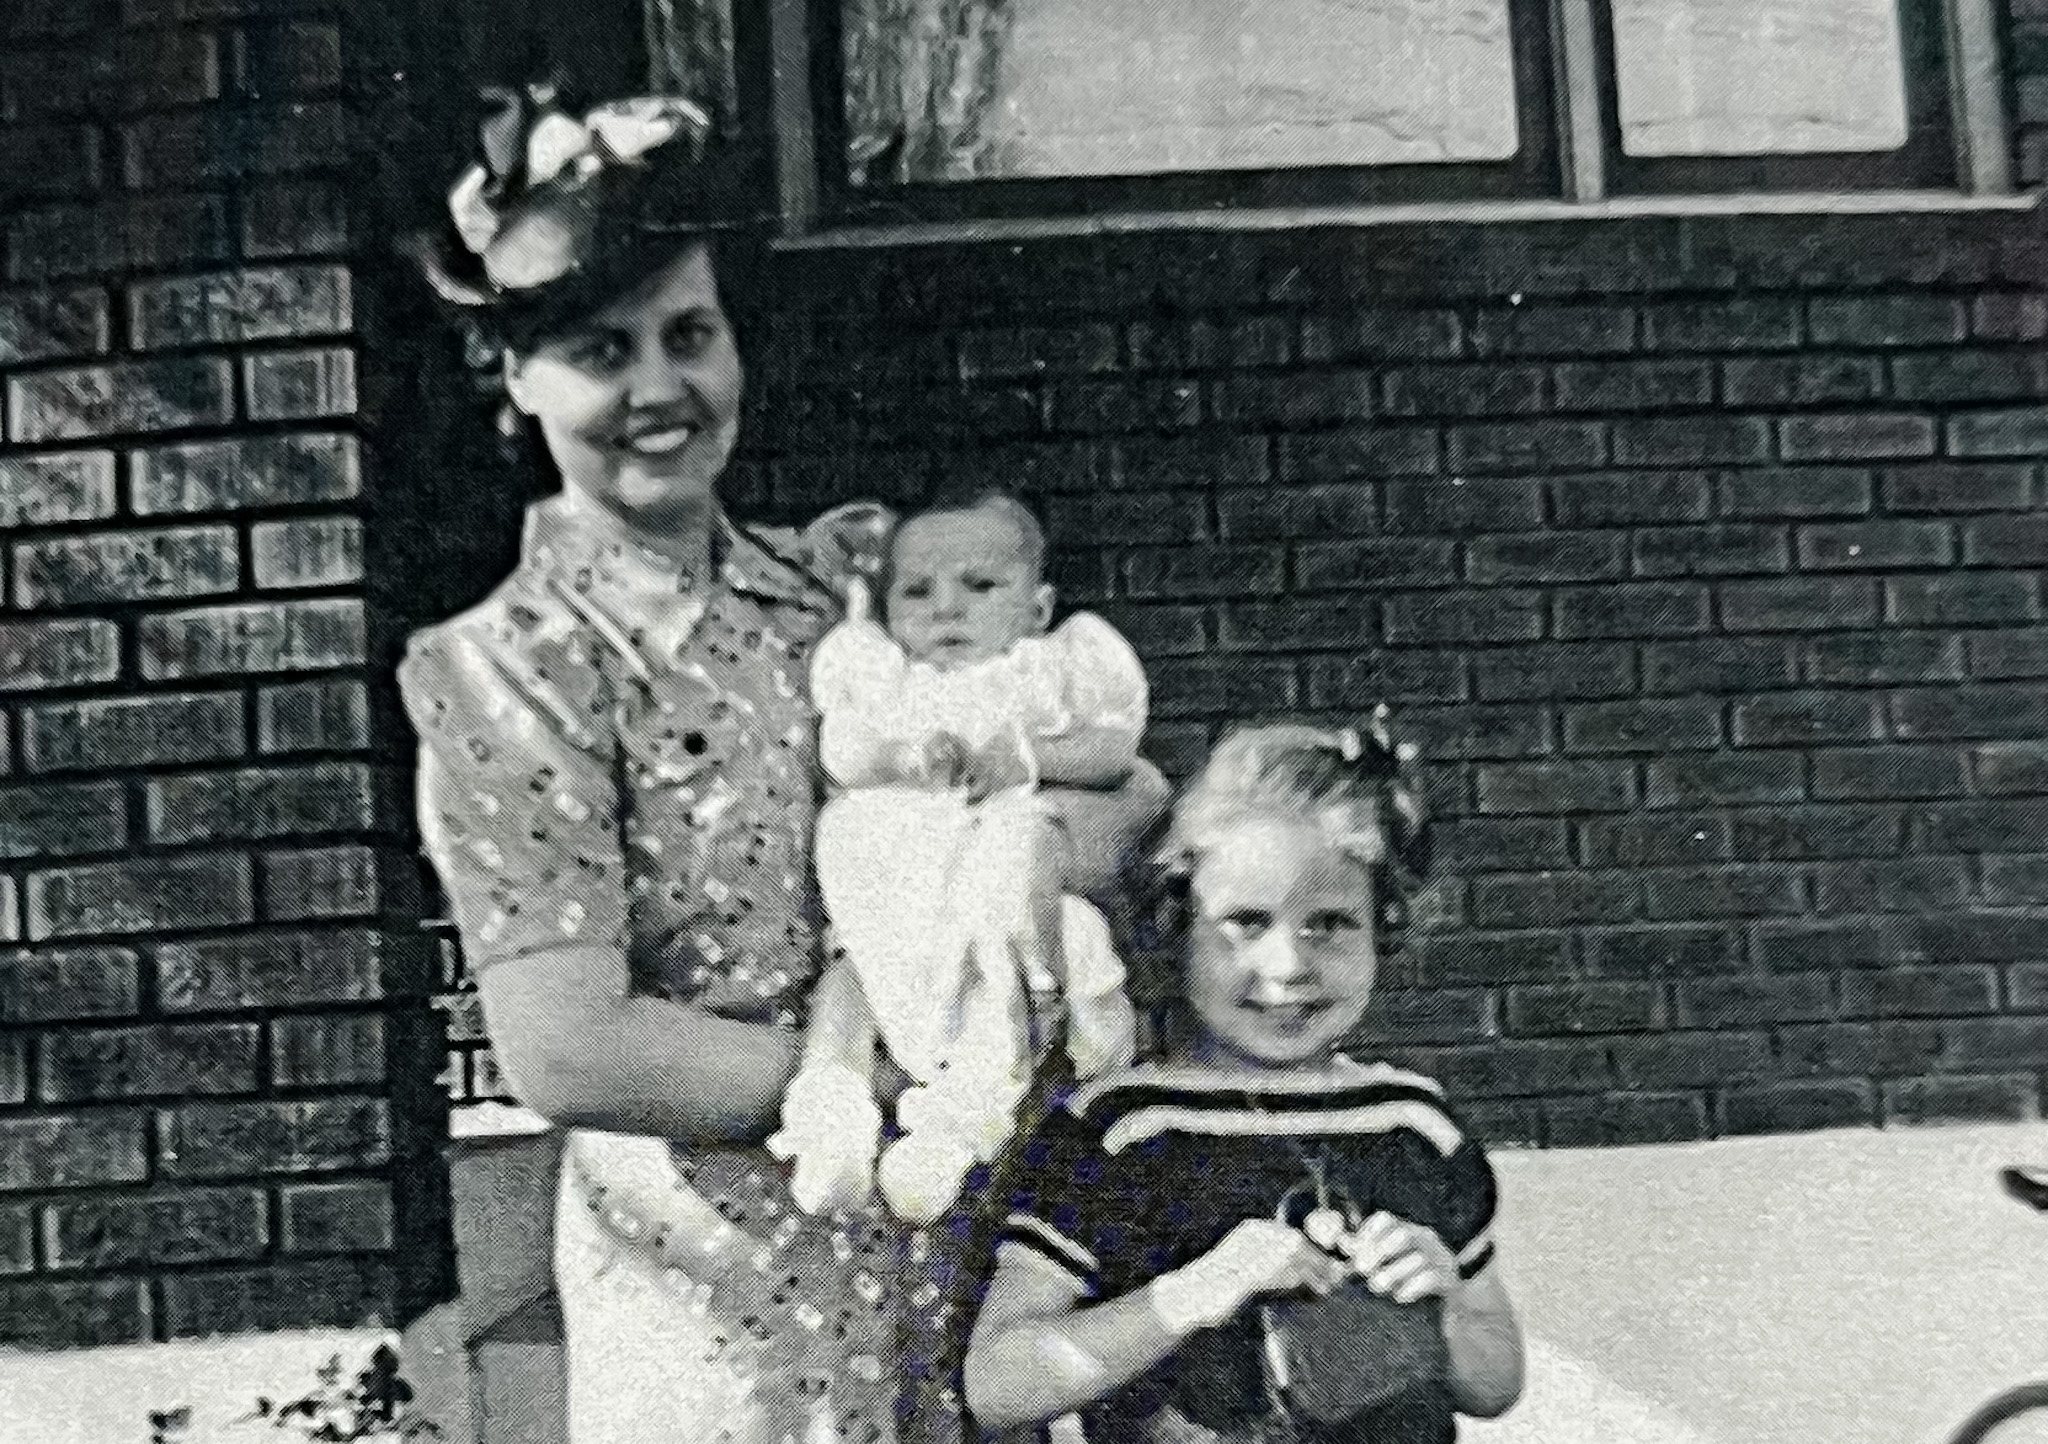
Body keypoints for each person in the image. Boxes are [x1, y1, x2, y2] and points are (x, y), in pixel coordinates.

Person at [398, 78, 1167, 1444]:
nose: (659, 388)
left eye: (689, 332)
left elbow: (1135, 808)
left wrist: (1041, 844)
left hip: (966, 1259)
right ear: (511, 378)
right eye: (596, 348)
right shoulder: (505, 669)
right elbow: (570, 1045)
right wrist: (889, 1082)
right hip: (728, 1304)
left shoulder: (845, 590)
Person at [963, 717, 1526, 1444]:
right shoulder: (1124, 1127)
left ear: (1384, 926)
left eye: (1329, 923)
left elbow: (1496, 1385)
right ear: (1176, 926)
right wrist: (1194, 1293)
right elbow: (996, 1384)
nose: (1289, 966)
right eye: (1245, 922)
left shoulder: (1413, 1122)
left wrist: (1444, 1300)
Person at [769, 486, 1146, 1227]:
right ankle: (832, 1120)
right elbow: (840, 750)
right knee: (850, 983)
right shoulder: (885, 680)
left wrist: (1028, 759)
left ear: (1036, 610)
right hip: (893, 884)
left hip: (987, 891)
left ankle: (950, 1134)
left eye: (979, 587)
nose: (945, 609)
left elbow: (1114, 755)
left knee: (1010, 981)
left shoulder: (1043, 676)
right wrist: (904, 759)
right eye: (917, 591)